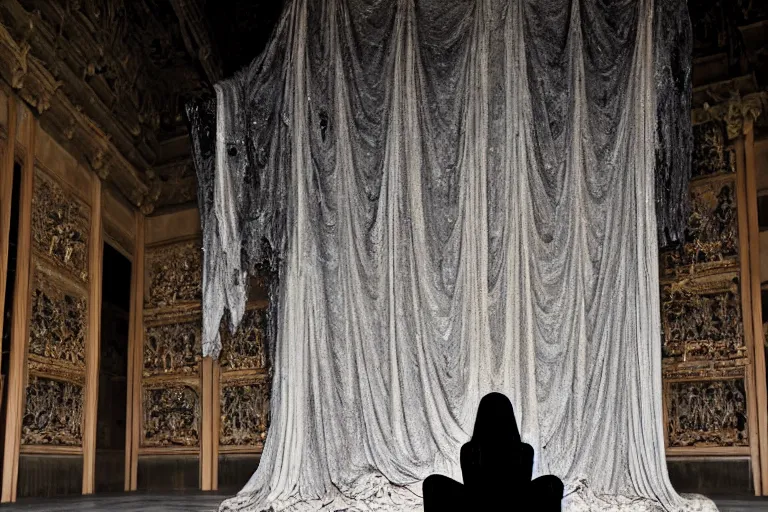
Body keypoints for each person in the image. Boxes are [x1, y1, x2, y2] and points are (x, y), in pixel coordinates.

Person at [423, 392, 564, 511]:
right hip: (504, 504)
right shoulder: (524, 450)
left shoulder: (470, 450)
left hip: (492, 504)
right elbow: (519, 490)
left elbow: (474, 490)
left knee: (433, 483)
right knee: (432, 483)